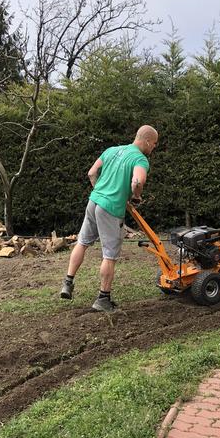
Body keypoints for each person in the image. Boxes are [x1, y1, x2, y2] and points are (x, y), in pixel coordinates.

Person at [60, 125, 158, 312]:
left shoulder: (112, 150)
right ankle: (103, 299)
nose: (154, 147)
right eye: (154, 143)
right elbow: (138, 181)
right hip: (111, 208)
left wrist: (99, 190)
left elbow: (91, 173)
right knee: (109, 255)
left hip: (94, 201)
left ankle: (68, 282)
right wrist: (136, 195)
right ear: (146, 141)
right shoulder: (140, 159)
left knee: (82, 242)